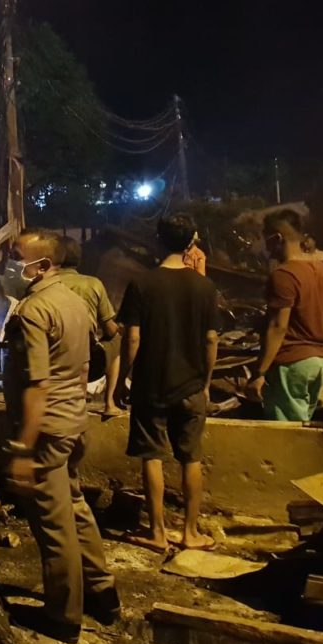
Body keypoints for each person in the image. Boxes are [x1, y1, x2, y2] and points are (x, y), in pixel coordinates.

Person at [2, 229, 119, 644]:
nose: (9, 266)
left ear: (43, 265)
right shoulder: (73, 301)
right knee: (75, 505)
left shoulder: (35, 310)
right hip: (73, 422)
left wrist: (23, 448)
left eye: (16, 257)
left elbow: (38, 385)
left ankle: (64, 616)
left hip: (47, 430)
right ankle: (102, 591)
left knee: (54, 527)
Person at [114, 213, 219, 552]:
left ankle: (157, 532)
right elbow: (211, 339)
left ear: (157, 241)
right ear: (191, 243)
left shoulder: (142, 284)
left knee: (152, 457)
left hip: (151, 386)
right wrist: (205, 382)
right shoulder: (205, 287)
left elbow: (132, 338)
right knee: (191, 458)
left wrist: (123, 378)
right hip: (191, 386)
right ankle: (191, 532)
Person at [246, 210, 323, 421]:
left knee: (286, 432)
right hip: (319, 362)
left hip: (292, 364)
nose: (265, 246)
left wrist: (259, 373)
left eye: (266, 238)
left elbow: (278, 327)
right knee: (304, 429)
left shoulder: (284, 275)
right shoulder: (320, 270)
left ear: (277, 238)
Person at [55, 237, 122, 417]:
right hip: (87, 361)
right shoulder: (92, 284)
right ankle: (109, 403)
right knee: (117, 340)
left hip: (51, 359)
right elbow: (110, 329)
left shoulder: (42, 284)